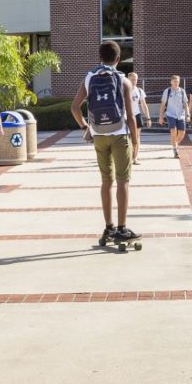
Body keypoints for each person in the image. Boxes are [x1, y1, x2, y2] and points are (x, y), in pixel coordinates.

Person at [71, 41, 140, 245]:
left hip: (99, 136)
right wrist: (135, 142)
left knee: (106, 181)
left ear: (99, 57)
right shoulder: (123, 80)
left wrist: (85, 128)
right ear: (118, 59)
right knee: (123, 181)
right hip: (119, 135)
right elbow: (130, 116)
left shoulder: (89, 77)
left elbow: (75, 107)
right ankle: (122, 228)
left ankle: (108, 228)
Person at [157, 75, 191, 159]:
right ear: (171, 82)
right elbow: (163, 104)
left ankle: (174, 144)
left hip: (180, 115)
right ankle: (175, 150)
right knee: (173, 130)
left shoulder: (182, 91)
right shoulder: (167, 91)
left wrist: (188, 114)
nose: (176, 83)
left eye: (178, 81)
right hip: (170, 114)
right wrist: (161, 117)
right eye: (175, 81)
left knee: (182, 133)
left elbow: (185, 104)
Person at [128, 72, 150, 165]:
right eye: (132, 79)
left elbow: (144, 105)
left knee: (136, 137)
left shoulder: (139, 90)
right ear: (128, 79)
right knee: (127, 138)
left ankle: (135, 158)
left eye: (136, 79)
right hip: (126, 116)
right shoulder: (123, 90)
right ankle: (127, 157)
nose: (134, 81)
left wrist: (148, 118)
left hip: (136, 115)